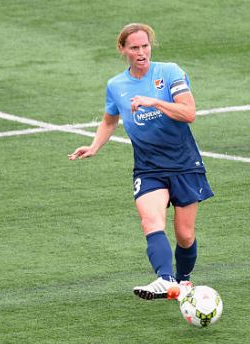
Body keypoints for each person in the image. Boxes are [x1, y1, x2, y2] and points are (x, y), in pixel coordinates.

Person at [69, 23, 214, 300]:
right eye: (134, 47)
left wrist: (154, 102)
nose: (141, 52)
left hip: (184, 163)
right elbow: (109, 121)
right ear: (122, 50)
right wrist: (94, 146)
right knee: (151, 221)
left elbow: (189, 112)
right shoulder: (116, 85)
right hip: (148, 168)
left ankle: (183, 282)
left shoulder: (170, 72)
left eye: (145, 46)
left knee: (184, 235)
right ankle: (165, 279)